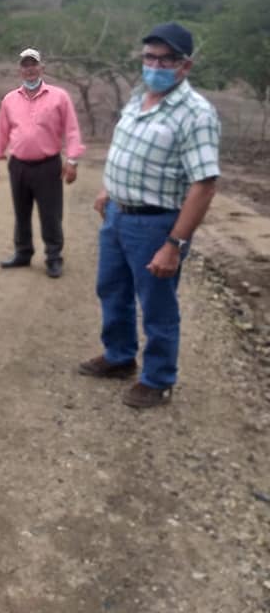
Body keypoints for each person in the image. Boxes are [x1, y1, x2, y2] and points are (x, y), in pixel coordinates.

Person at [79, 22, 220, 409]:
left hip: (156, 224)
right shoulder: (140, 96)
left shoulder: (196, 114)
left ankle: (158, 379)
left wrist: (174, 244)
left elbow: (204, 185)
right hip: (117, 216)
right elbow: (129, 149)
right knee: (112, 289)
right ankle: (119, 356)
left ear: (185, 65)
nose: (154, 66)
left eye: (165, 59)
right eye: (149, 58)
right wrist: (109, 189)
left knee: (157, 304)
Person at [0, 48, 85, 278]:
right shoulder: (10, 100)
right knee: (21, 212)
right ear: (20, 70)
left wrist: (72, 160)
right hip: (19, 165)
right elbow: (1, 132)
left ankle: (53, 257)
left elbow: (71, 130)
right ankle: (23, 252)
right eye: (25, 65)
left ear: (42, 68)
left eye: (33, 64)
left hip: (48, 165)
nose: (30, 69)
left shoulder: (59, 97)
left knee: (51, 214)